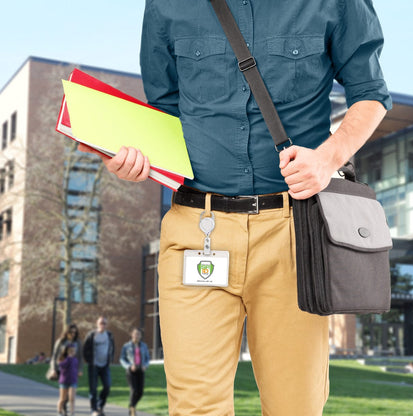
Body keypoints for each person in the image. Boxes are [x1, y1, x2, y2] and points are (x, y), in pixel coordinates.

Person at [79, 1, 392, 414]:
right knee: (195, 408)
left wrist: (327, 159)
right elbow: (165, 110)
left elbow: (370, 94)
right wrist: (135, 159)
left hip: (293, 233)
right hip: (196, 229)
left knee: (295, 406)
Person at [83, 316, 115, 416]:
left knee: (107, 386)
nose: (102, 325)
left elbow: (113, 347)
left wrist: (111, 359)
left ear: (106, 325)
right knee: (93, 388)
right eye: (101, 323)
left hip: (105, 365)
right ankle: (94, 410)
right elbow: (85, 349)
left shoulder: (109, 335)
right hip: (94, 366)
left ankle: (100, 405)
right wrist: (89, 360)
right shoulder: (92, 335)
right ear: (97, 324)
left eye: (104, 323)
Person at [49, 324, 83, 416]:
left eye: (75, 333)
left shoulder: (78, 342)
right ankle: (62, 410)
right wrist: (53, 369)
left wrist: (80, 369)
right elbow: (54, 356)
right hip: (62, 371)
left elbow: (80, 358)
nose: (73, 334)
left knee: (70, 396)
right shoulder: (61, 341)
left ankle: (69, 411)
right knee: (64, 396)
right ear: (67, 332)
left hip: (73, 371)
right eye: (71, 332)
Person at [120, 328, 150, 416]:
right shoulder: (126, 346)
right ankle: (132, 411)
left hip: (141, 370)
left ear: (140, 336)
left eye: (138, 334)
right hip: (131, 371)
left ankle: (132, 406)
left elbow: (147, 358)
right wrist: (129, 366)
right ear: (131, 335)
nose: (137, 336)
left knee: (140, 392)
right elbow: (122, 359)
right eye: (135, 334)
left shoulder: (144, 346)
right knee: (133, 390)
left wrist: (145, 365)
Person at [57, 344, 79, 416]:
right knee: (63, 398)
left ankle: (72, 413)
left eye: (74, 351)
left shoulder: (75, 360)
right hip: (64, 381)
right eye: (71, 351)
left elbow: (75, 369)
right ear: (67, 351)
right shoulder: (64, 359)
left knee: (72, 398)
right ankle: (59, 412)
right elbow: (61, 365)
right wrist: (68, 359)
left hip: (73, 381)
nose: (73, 352)